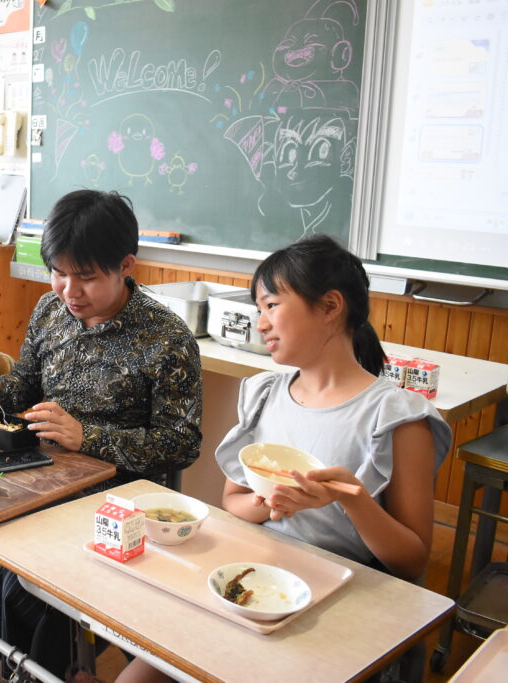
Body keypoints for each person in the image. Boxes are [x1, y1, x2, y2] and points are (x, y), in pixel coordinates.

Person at [117, 235, 451, 683]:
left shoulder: (397, 416)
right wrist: (271, 502)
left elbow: (412, 562)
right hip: (256, 579)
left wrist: (350, 497)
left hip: (341, 600)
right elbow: (233, 500)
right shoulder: (264, 394)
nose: (261, 323)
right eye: (259, 308)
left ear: (331, 306)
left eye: (272, 305)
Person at [0, 189, 203, 488]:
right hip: (43, 473)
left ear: (125, 265)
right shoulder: (50, 309)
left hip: (120, 495)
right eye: (59, 273)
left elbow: (181, 444)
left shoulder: (168, 338)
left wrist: (85, 437)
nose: (69, 291)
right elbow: (28, 381)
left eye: (87, 278)